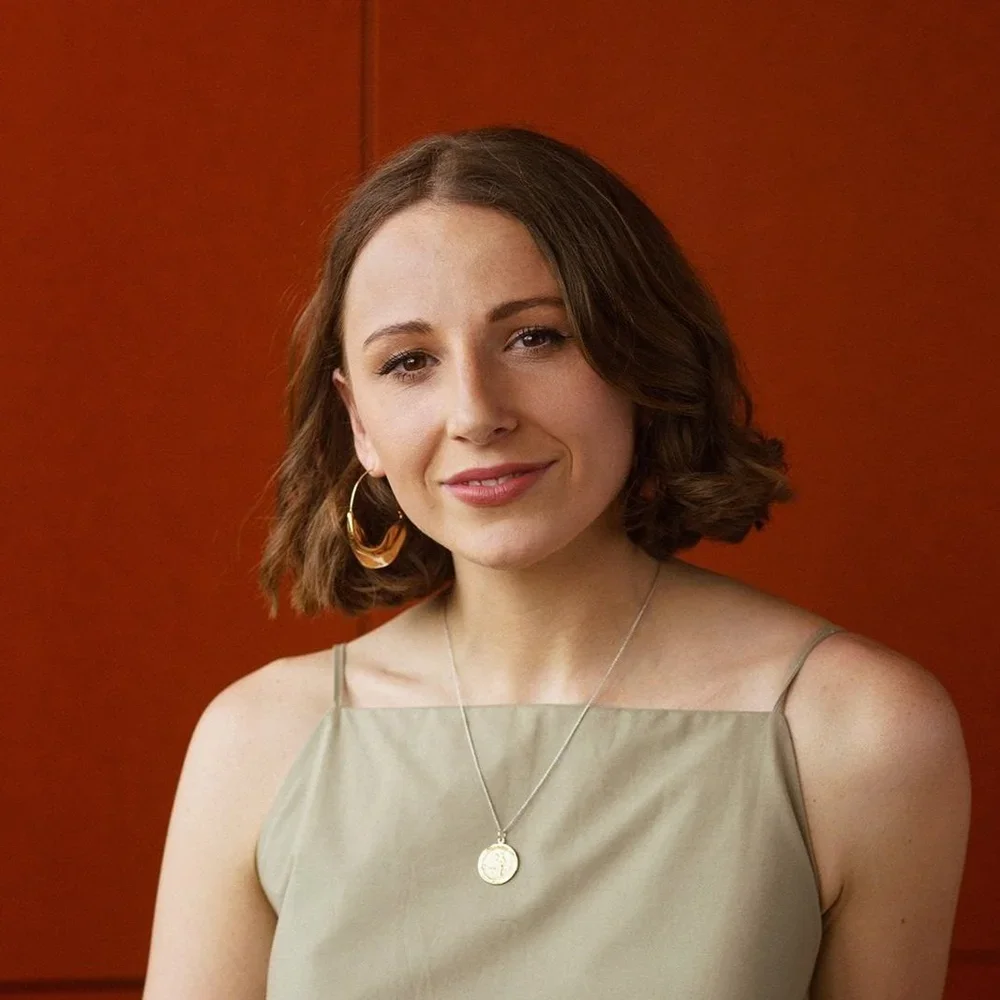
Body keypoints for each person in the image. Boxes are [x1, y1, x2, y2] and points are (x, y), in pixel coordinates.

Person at [142, 126, 971, 999]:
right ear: (359, 423)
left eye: (535, 338)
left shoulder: (857, 733)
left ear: (639, 357)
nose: (475, 411)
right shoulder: (259, 742)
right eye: (410, 361)